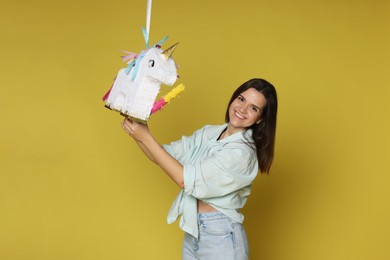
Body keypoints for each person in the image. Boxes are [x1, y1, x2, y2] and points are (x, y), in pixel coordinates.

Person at [121, 78, 278, 260]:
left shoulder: (242, 152)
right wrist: (138, 132)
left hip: (222, 235)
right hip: (195, 229)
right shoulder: (210, 132)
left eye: (253, 108)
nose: (242, 109)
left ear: (260, 119)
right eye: (241, 99)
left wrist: (145, 137)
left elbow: (185, 180)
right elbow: (163, 156)